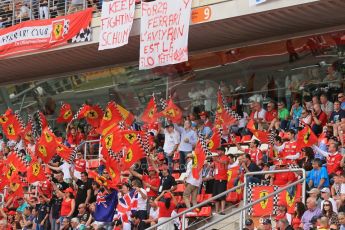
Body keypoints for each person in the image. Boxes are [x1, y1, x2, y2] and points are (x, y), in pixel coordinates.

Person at [212, 146, 230, 215]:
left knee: (222, 195)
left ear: (222, 151)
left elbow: (225, 162)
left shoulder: (226, 157)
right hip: (216, 178)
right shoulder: (217, 159)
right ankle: (217, 211)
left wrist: (216, 160)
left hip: (222, 178)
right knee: (216, 196)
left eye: (219, 151)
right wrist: (207, 164)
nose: (217, 152)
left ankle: (222, 210)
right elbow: (212, 165)